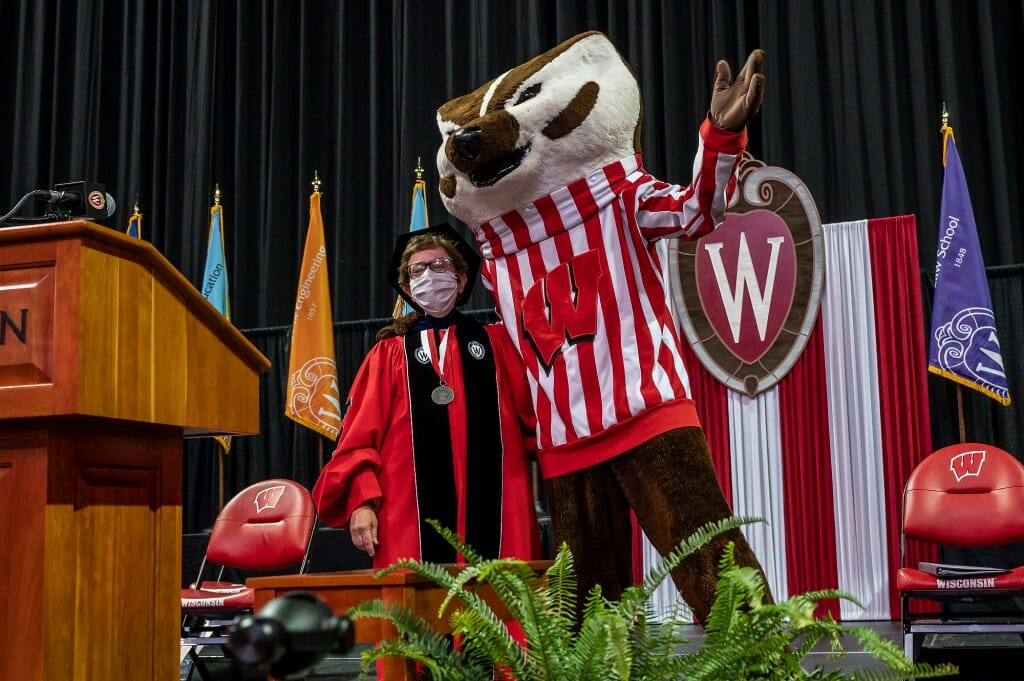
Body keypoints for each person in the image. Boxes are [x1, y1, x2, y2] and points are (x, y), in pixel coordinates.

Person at [312, 224, 540, 568]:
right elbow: (357, 442)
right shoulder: (387, 355)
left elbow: (540, 423)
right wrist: (361, 502)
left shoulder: (499, 344)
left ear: (461, 279)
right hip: (407, 517)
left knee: (503, 608)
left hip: (501, 511)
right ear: (407, 287)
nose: (429, 276)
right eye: (418, 270)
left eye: (440, 266)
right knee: (415, 615)